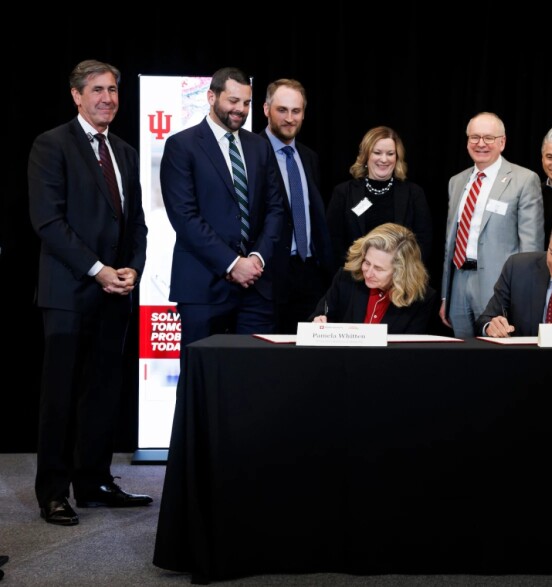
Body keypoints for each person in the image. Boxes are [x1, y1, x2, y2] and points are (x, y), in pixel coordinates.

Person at [28, 59, 152, 526]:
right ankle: (54, 493)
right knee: (60, 396)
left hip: (115, 293)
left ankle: (95, 482)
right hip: (69, 292)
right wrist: (99, 269)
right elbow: (48, 222)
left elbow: (136, 222)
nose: (108, 97)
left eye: (114, 89)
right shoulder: (51, 145)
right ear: (77, 96)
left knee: (102, 393)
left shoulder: (124, 150)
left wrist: (132, 270)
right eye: (97, 89)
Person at [160, 67, 286, 352]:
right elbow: (184, 217)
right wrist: (232, 263)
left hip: (256, 287)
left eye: (246, 102)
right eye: (232, 101)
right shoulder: (182, 146)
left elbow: (276, 209)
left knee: (254, 383)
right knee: (200, 382)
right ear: (211, 97)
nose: (240, 109)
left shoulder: (259, 147)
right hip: (203, 287)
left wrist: (256, 259)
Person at [440, 112, 544, 338]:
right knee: (461, 355)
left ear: (502, 142)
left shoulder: (524, 179)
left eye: (488, 138)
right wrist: (445, 296)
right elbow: (450, 241)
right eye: (474, 137)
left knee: (494, 357)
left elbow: (531, 245)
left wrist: (522, 297)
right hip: (458, 281)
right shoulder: (456, 182)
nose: (481, 144)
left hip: (499, 286)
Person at [260, 78, 333, 333]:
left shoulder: (309, 156)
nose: (290, 118)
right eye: (282, 110)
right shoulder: (252, 153)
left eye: (296, 111)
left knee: (306, 360)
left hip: (309, 272)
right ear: (266, 109)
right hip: (269, 274)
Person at [326, 126, 431, 270]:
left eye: (390, 153)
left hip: (399, 280)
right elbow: (333, 241)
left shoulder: (414, 193)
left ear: (397, 157)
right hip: (355, 278)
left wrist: (400, 273)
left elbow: (423, 241)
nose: (384, 159)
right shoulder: (344, 192)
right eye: (377, 152)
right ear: (366, 155)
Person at [309, 223, 437, 334]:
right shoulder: (346, 278)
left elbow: (414, 351)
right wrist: (317, 324)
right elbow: (317, 318)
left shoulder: (421, 298)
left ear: (401, 272)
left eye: (379, 269)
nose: (368, 273)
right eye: (367, 262)